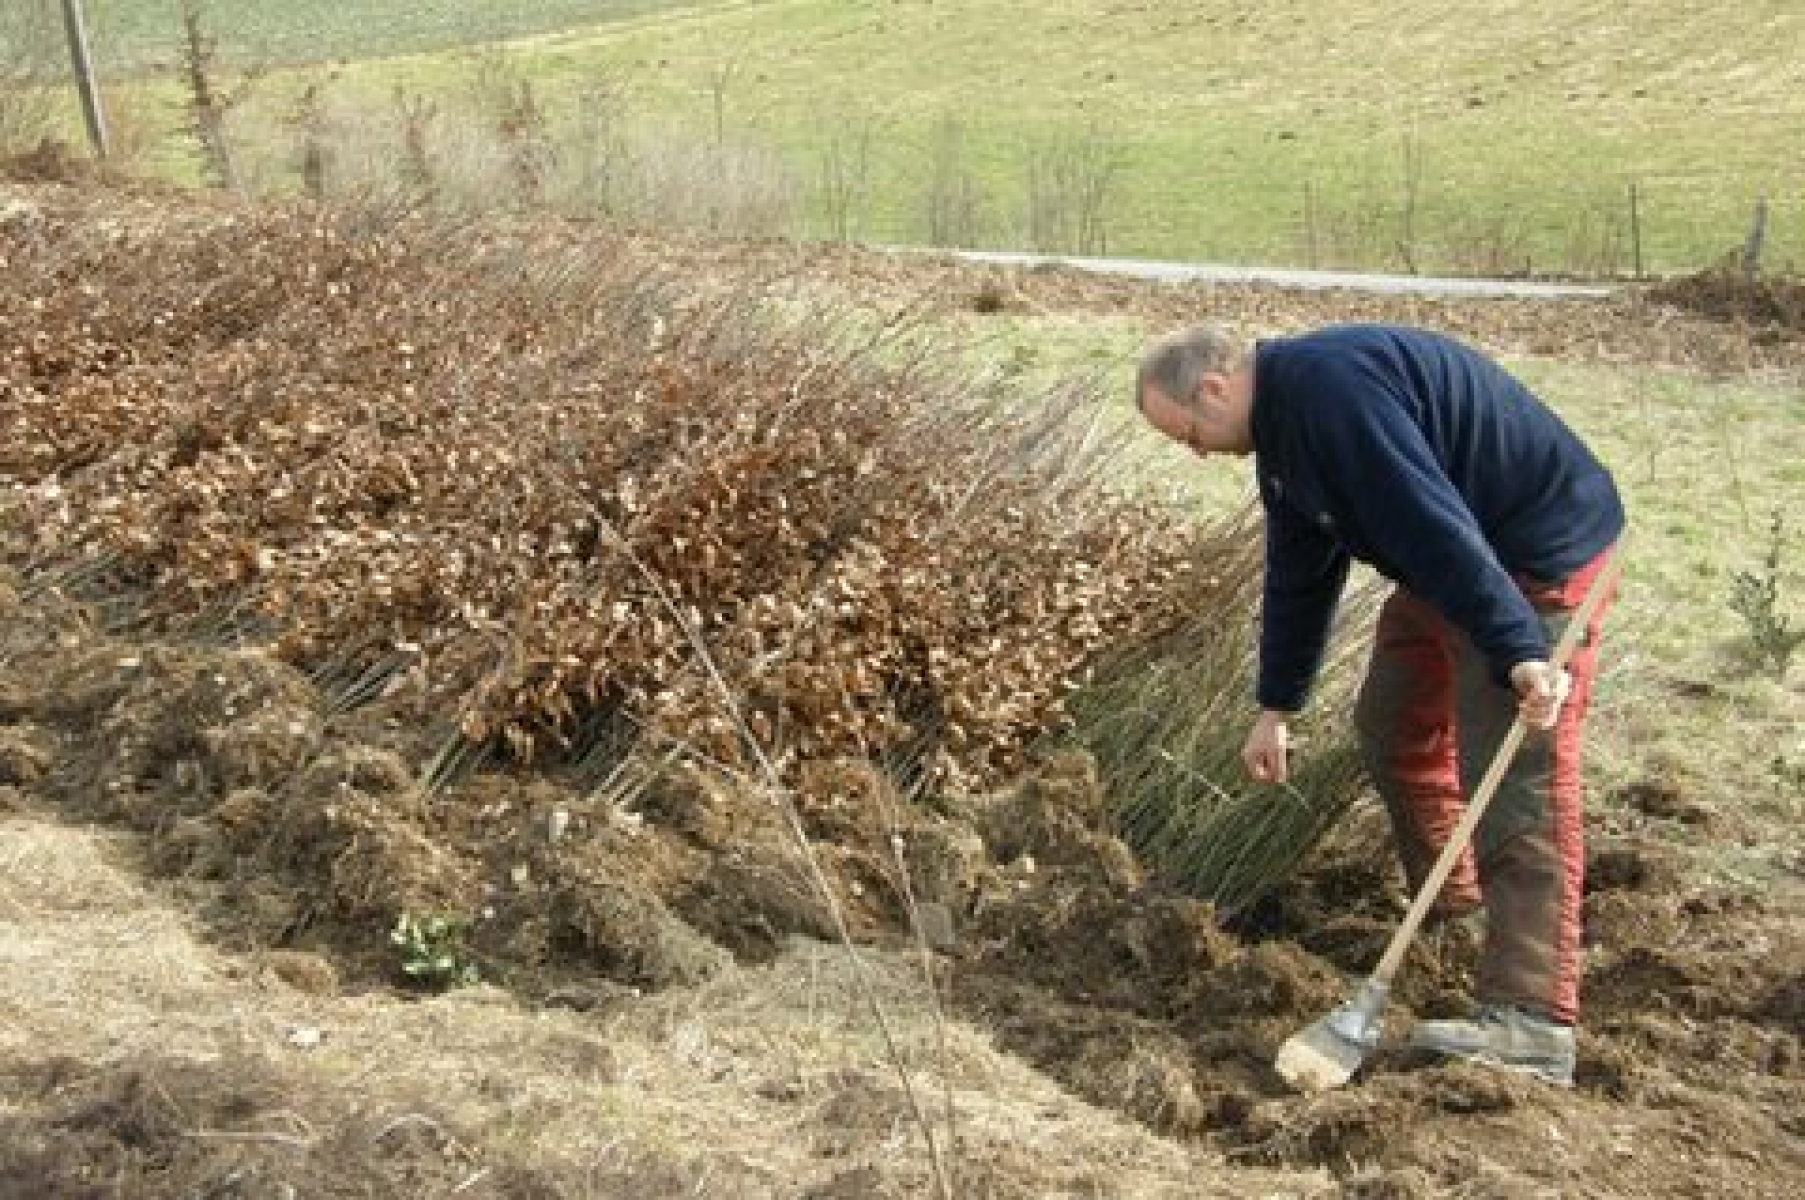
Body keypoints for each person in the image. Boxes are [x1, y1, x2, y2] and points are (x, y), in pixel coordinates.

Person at [1135, 322, 1624, 1086]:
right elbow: (1298, 570)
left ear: (1214, 388)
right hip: (1457, 566)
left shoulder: (1332, 395)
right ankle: (1456, 914)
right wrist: (1276, 705)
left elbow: (1434, 523)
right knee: (1392, 725)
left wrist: (1520, 650)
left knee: (1516, 776)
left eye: (1188, 433)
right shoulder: (1284, 434)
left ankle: (1531, 1021)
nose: (1194, 451)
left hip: (1532, 562)